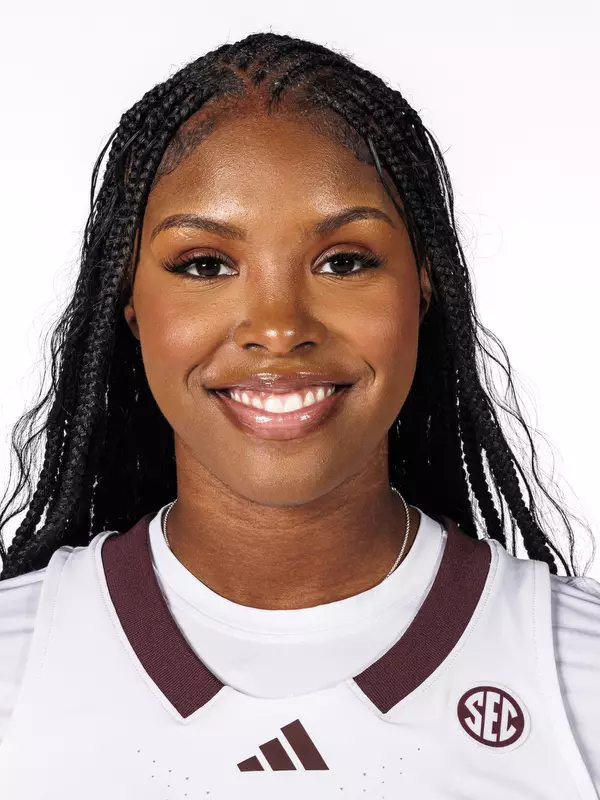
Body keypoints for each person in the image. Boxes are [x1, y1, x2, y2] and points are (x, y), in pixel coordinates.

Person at [0, 30, 598, 799]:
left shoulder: (576, 676)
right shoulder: (18, 672)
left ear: (424, 284)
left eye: (344, 261)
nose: (279, 328)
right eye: (206, 265)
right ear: (129, 302)